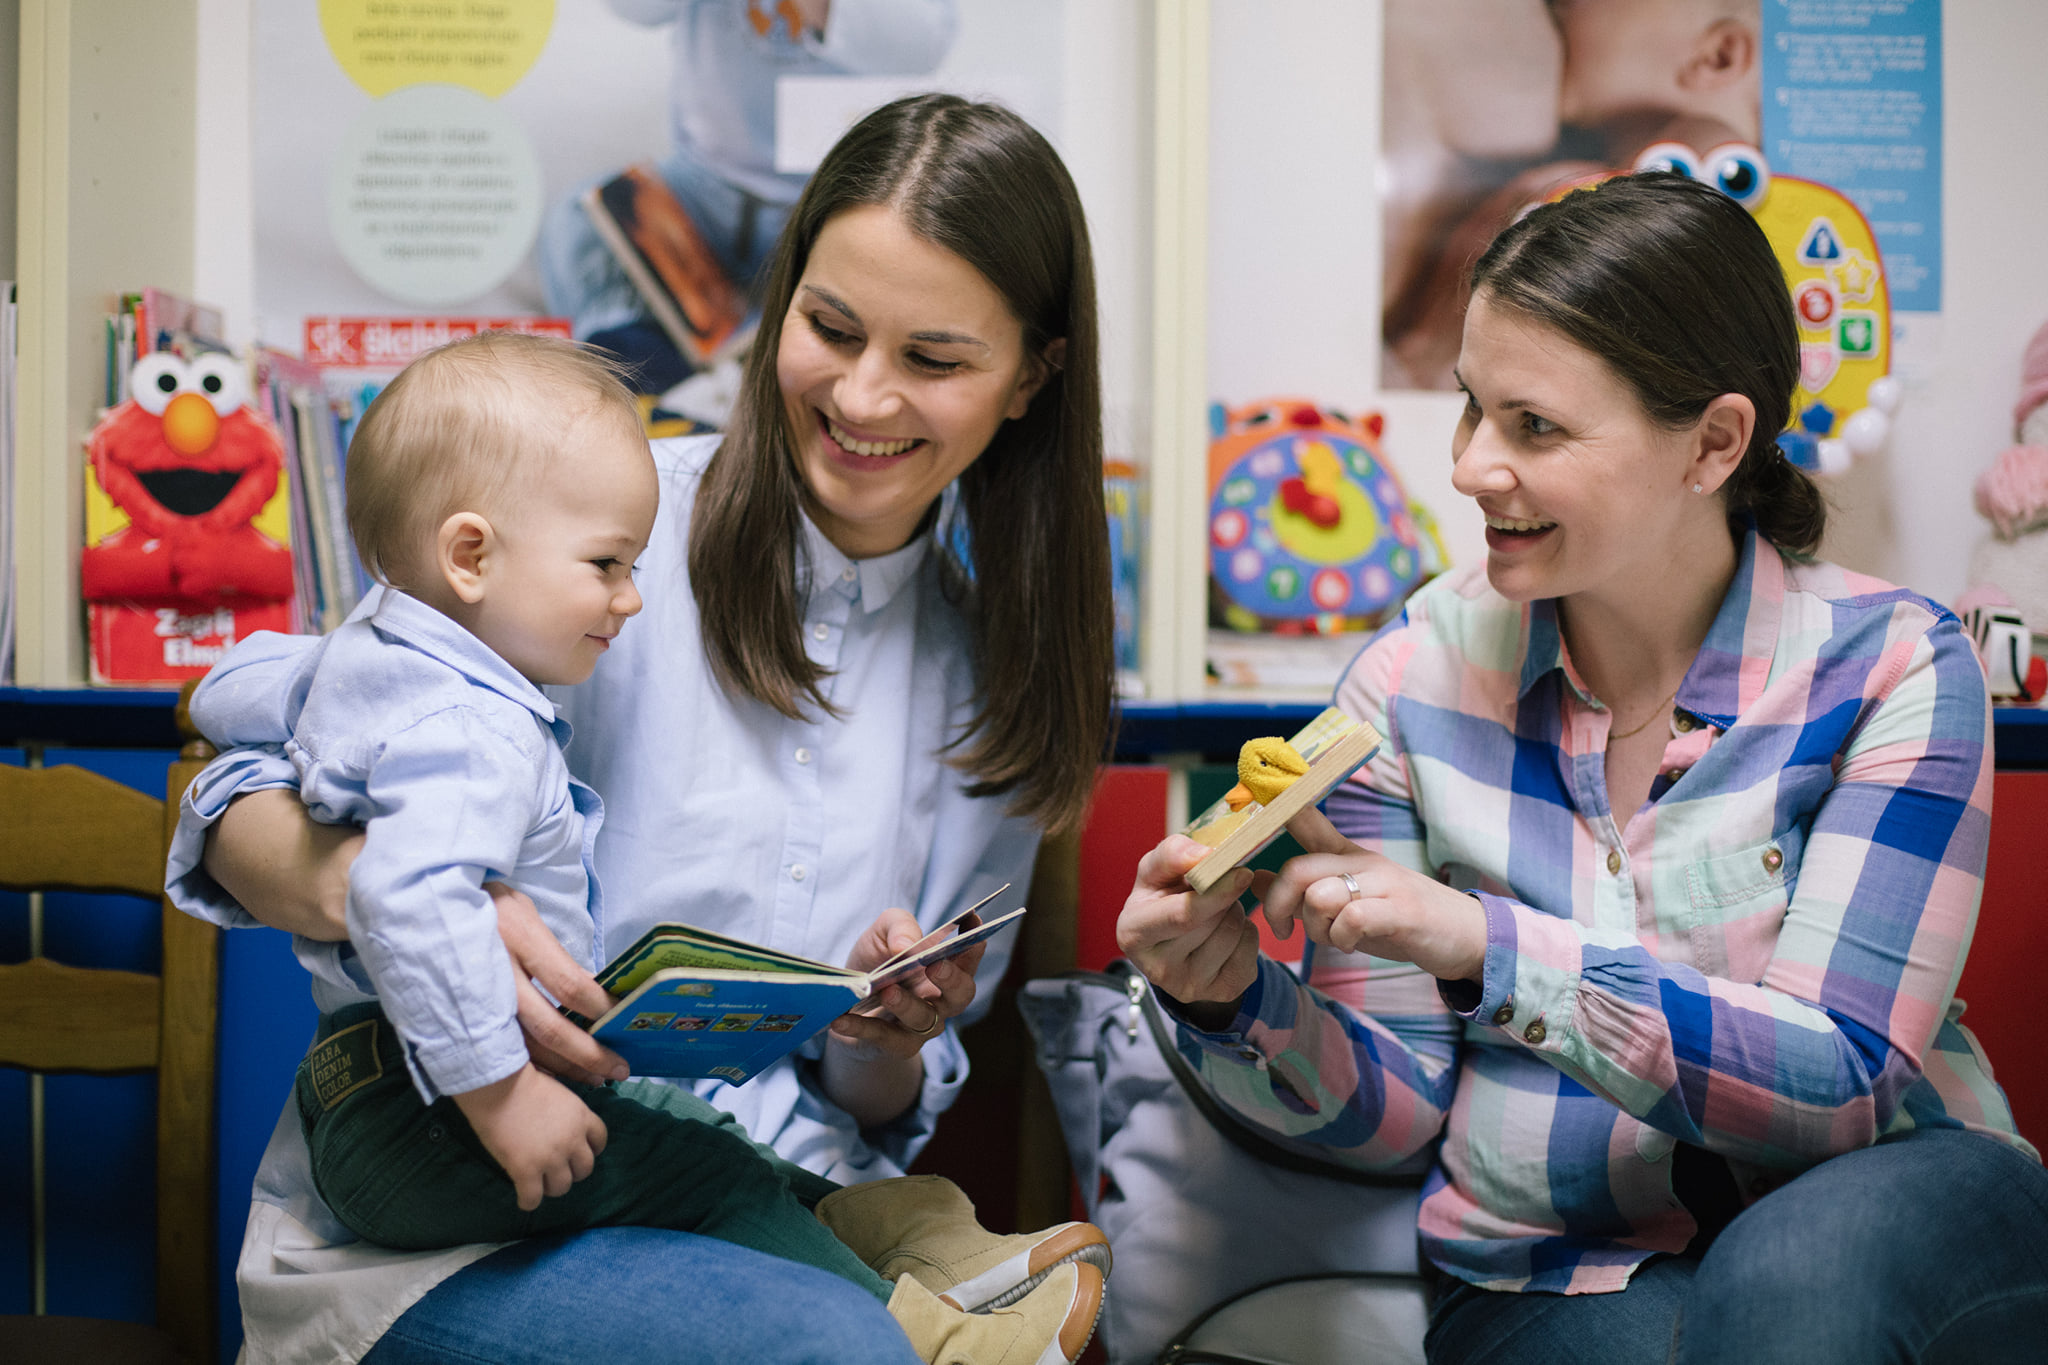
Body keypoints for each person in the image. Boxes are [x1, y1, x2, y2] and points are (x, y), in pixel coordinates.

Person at [168, 93, 1117, 1365]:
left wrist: (886, 1035)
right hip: (456, 1210)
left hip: (757, 1212)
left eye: (935, 360)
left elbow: (876, 1102)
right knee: (848, 1350)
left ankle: (898, 1259)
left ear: (1029, 380)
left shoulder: (997, 673)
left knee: (846, 1323)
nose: (862, 393)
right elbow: (226, 797)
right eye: (827, 327)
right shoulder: (591, 533)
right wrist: (379, 884)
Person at [1120, 172, 2048, 1364]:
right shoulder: (1404, 686)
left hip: (1892, 1193)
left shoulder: (1892, 670)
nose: (1466, 467)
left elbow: (1841, 1087)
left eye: (1534, 427)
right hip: (1554, 1261)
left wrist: (1483, 943)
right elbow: (1397, 1112)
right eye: (1471, 409)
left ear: (1712, 442)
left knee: (1790, 1281)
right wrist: (1233, 1000)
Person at [537, 0, 958, 393]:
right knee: (576, 223)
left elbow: (921, 44)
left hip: (836, 199)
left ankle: (787, 348)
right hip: (703, 187)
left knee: (899, 264)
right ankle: (640, 358)